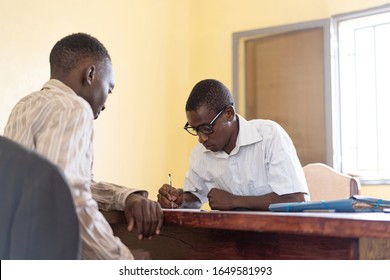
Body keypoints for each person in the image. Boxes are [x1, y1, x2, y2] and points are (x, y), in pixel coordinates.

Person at [3, 33, 163, 259]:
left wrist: (125, 197)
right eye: (109, 88)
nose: (106, 103)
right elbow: (70, 201)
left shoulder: (24, 107)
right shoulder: (74, 108)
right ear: (90, 74)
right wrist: (122, 261)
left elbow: (58, 182)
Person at [158, 79, 309, 210]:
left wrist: (233, 201)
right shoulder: (200, 154)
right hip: (231, 239)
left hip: (278, 236)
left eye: (206, 128)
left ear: (228, 114)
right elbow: (195, 198)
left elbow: (296, 199)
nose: (201, 138)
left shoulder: (269, 137)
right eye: (196, 130)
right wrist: (179, 200)